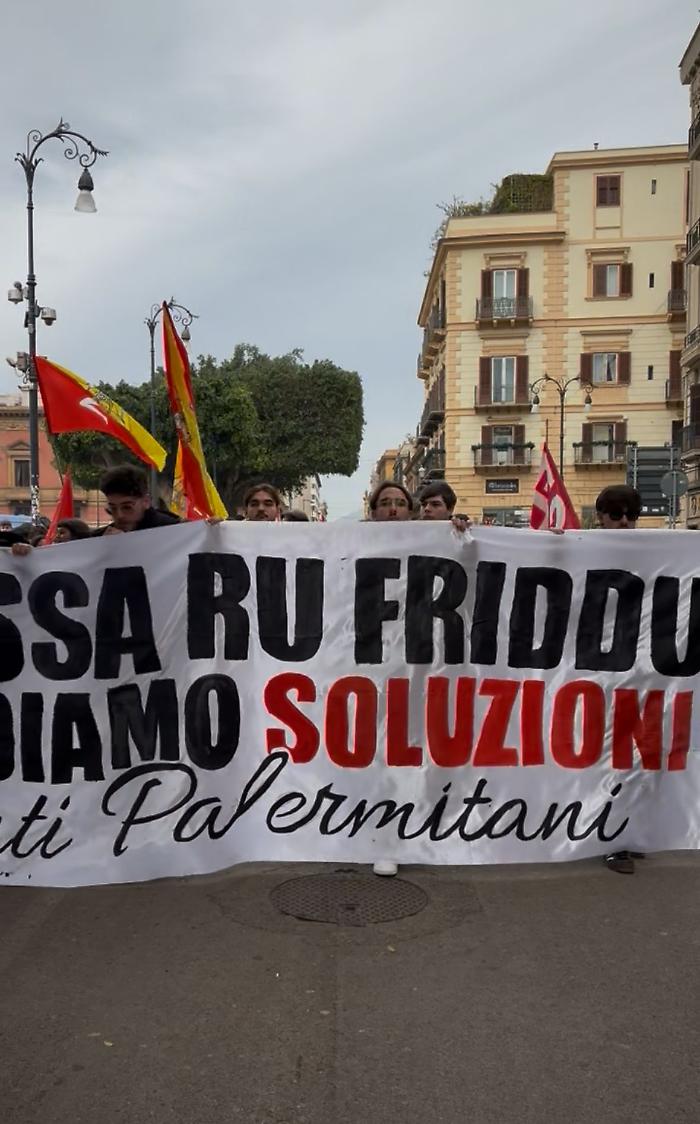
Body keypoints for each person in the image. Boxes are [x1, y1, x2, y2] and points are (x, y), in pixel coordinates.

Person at [594, 485, 643, 874]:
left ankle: (625, 834)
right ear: (600, 518)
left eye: (630, 515)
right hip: (595, 676)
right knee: (608, 755)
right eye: (615, 514)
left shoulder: (654, 550)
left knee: (637, 757)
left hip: (642, 674)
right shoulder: (583, 549)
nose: (624, 521)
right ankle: (611, 838)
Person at [93, 465, 181, 534]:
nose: (119, 515)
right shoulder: (101, 537)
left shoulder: (174, 531)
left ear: (146, 501)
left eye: (127, 507)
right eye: (113, 508)